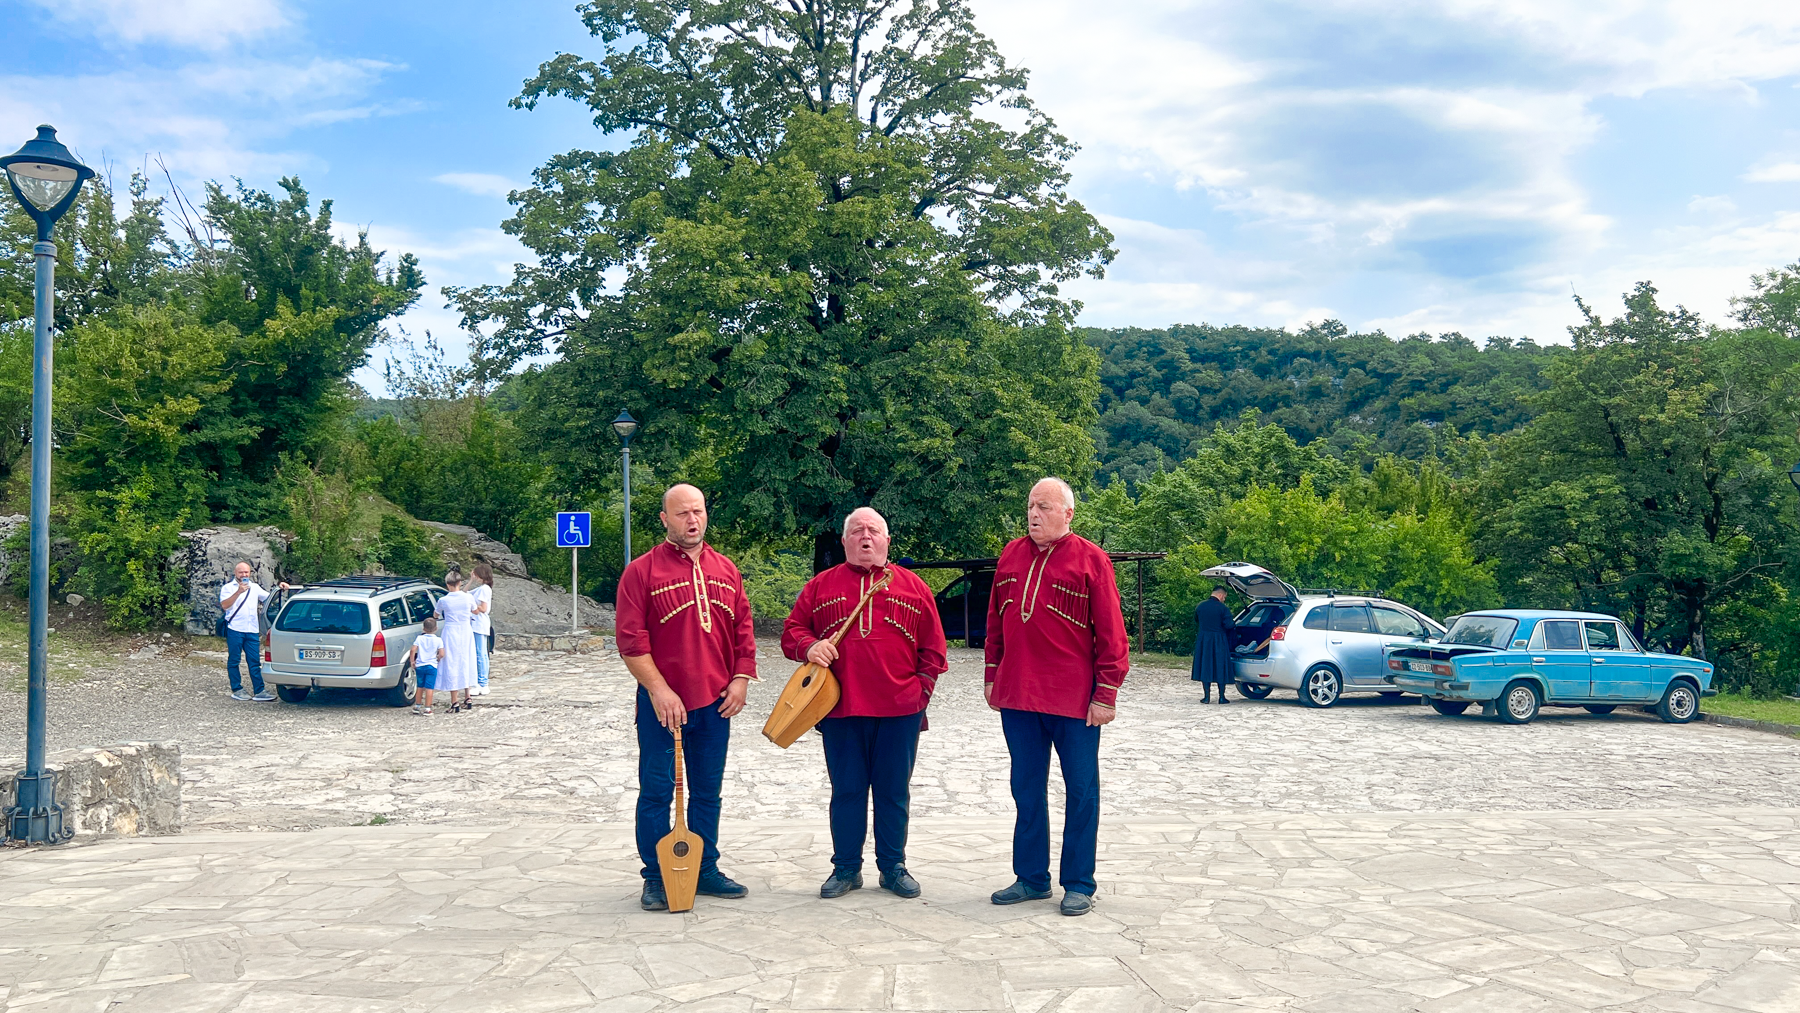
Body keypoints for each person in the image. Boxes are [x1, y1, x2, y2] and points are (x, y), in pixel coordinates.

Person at [782, 507, 948, 901]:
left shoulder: (914, 587)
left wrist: (919, 695)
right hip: (839, 709)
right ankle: (845, 868)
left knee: (893, 793)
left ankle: (893, 868)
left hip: (900, 711)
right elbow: (792, 632)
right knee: (847, 791)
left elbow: (934, 650)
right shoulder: (820, 586)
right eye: (857, 531)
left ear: (887, 540)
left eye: (874, 530)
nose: (866, 537)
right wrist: (810, 646)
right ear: (844, 541)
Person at [983, 477, 1129, 917]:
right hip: (1018, 696)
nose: (1034, 514)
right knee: (1026, 789)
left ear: (1068, 514)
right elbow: (995, 622)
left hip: (1074, 701)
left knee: (1081, 791)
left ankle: (1079, 883)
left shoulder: (1092, 559)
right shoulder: (1010, 555)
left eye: (1044, 506)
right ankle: (1031, 878)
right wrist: (992, 674)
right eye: (1031, 505)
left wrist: (1106, 693)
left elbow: (1112, 634)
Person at [615, 483, 759, 911]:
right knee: (657, 792)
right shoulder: (641, 571)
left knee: (708, 792)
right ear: (664, 519)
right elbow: (631, 641)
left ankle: (705, 868)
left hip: (716, 704)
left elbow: (743, 630)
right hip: (662, 706)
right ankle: (656, 876)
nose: (692, 520)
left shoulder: (726, 569)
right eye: (682, 513)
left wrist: (740, 679)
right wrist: (659, 690)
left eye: (698, 511)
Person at [219, 561, 290, 702]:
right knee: (234, 660)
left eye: (246, 572)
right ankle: (237, 689)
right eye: (241, 572)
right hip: (235, 629)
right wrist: (238, 592)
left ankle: (259, 690)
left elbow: (269, 599)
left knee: (254, 661)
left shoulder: (254, 587)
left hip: (252, 629)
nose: (244, 575)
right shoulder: (228, 588)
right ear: (235, 573)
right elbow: (225, 605)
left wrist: (280, 589)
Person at [433, 572, 479, 713]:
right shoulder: (468, 598)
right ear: (459, 583)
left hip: (451, 631)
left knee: (452, 662)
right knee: (466, 659)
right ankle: (468, 696)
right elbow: (476, 611)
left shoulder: (443, 600)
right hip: (465, 630)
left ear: (447, 584)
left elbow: (435, 615)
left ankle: (454, 701)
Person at [1191, 585, 1235, 704]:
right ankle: (1222, 697)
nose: (1224, 599)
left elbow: (1196, 620)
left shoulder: (1200, 606)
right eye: (1224, 597)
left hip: (1204, 639)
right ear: (1220, 595)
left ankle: (1206, 697)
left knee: (1205, 666)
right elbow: (1229, 625)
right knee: (1220, 666)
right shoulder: (1223, 608)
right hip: (1219, 639)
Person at [469, 562, 494, 697]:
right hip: (476, 624)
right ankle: (480, 682)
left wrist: (473, 607)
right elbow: (464, 593)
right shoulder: (481, 588)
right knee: (479, 653)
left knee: (481, 654)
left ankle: (483, 683)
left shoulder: (484, 589)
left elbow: (483, 608)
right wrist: (471, 581)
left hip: (479, 623)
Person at [410, 617, 444, 716]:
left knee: (420, 686)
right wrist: (438, 658)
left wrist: (412, 661)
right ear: (436, 628)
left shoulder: (419, 638)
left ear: (423, 629)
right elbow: (442, 654)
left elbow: (413, 649)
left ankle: (417, 706)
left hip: (420, 666)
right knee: (429, 687)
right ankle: (427, 708)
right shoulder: (438, 640)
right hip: (431, 666)